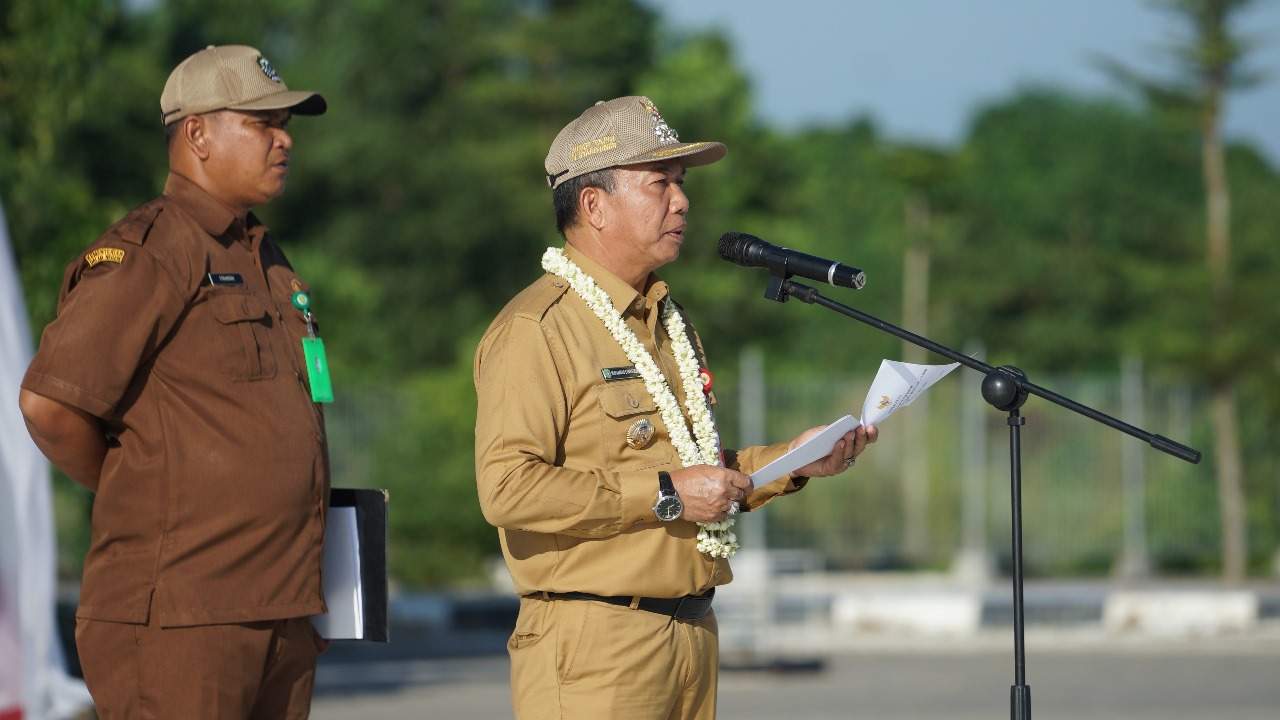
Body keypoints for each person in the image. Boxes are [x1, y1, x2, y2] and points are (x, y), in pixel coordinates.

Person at [474, 96, 879, 720]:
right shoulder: (539, 327)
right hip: (596, 646)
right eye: (659, 183)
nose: (682, 201)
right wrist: (665, 493)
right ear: (593, 205)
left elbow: (696, 472)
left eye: (681, 183)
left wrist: (797, 460)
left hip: (691, 637)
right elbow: (508, 489)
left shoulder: (665, 321)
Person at [18, 45, 331, 720]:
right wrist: (141, 486)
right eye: (262, 123)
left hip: (280, 609)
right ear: (197, 134)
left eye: (287, 124)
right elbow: (48, 406)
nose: (284, 141)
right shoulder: (152, 251)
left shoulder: (266, 258)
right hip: (183, 615)